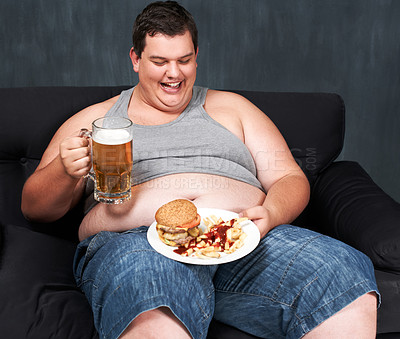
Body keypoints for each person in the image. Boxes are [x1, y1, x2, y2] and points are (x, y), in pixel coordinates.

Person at [21, 1, 379, 338]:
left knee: (342, 271)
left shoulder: (234, 107)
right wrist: (65, 172)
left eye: (185, 60)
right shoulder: (96, 121)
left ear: (196, 57)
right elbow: (34, 208)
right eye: (160, 61)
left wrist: (272, 212)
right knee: (154, 297)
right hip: (136, 243)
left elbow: (288, 177)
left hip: (240, 242)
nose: (174, 74)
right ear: (136, 58)